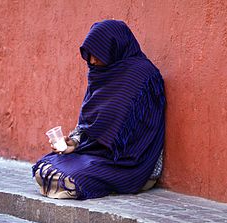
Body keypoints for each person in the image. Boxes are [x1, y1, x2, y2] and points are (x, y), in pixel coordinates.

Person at [32, 20, 166, 200]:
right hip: (96, 155)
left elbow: (144, 134)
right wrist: (75, 142)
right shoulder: (100, 74)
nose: (93, 61)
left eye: (98, 54)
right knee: (46, 167)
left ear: (114, 48)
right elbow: (89, 122)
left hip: (128, 163)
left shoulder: (143, 77)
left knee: (68, 178)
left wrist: (102, 150)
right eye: (89, 55)